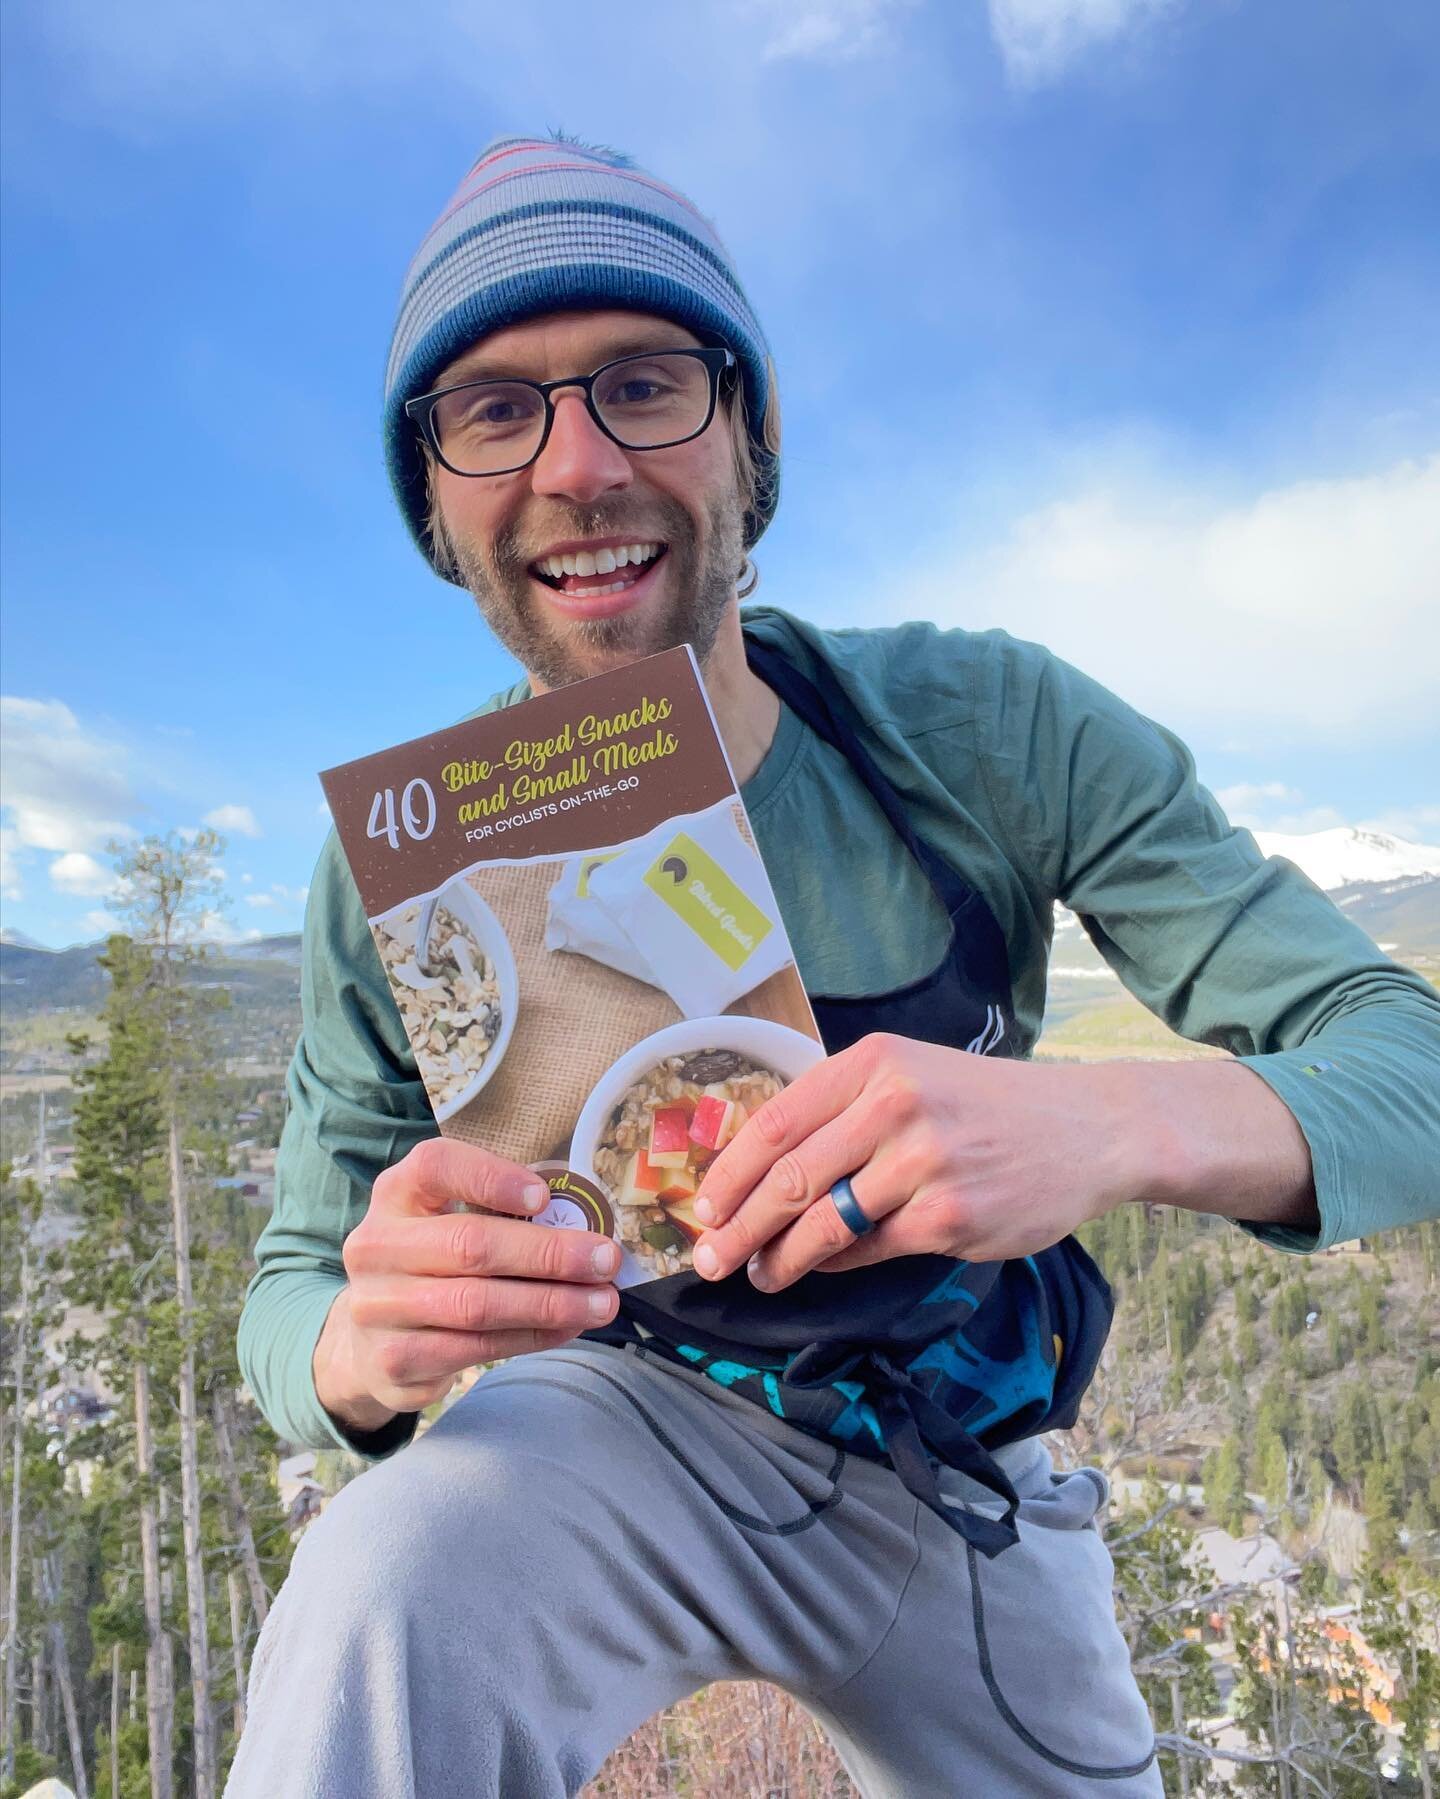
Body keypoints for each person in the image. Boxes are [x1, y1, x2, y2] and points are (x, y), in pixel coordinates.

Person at [227, 135, 1440, 1798]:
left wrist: (1097, 1129)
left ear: (753, 432)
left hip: (969, 1459)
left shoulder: (986, 728)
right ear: (435, 498)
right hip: (624, 1420)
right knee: (381, 1590)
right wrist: (364, 1344)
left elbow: (1408, 1064)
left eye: (643, 383)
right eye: (493, 410)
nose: (576, 466)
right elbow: (292, 1292)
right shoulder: (412, 875)